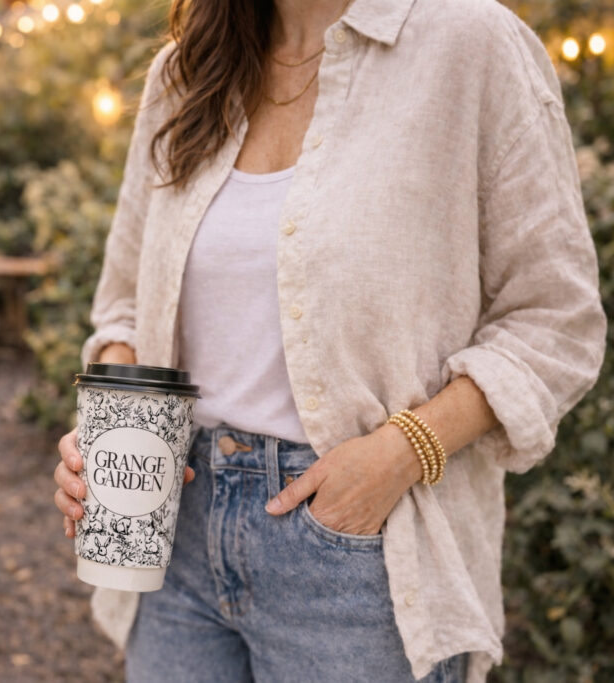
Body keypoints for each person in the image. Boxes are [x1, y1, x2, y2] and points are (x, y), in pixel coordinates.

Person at [52, 0, 607, 680]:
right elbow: (124, 308)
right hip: (172, 537)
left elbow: (556, 317)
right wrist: (111, 439)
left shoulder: (469, 43)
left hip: (361, 545)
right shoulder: (184, 70)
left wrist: (400, 453)